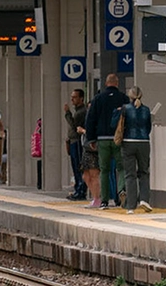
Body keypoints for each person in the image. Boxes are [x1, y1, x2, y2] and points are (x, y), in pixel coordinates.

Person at [84, 73, 128, 208]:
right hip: (118, 139)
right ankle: (121, 193)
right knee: (121, 168)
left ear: (106, 83)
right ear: (117, 83)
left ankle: (104, 200)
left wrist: (91, 138)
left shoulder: (98, 99)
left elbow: (90, 119)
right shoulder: (124, 98)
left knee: (104, 170)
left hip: (102, 139)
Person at [120, 86, 154, 214]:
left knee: (130, 175)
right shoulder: (146, 110)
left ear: (130, 96)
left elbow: (117, 125)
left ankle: (130, 206)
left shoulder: (125, 109)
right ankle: (144, 199)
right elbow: (148, 127)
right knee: (144, 172)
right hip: (144, 143)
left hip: (128, 142)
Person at [63, 88, 87, 200]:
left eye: (75, 97)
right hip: (73, 141)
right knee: (75, 165)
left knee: (78, 166)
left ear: (81, 98)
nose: (72, 99)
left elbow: (74, 126)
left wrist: (67, 114)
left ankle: (80, 190)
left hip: (77, 141)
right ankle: (78, 189)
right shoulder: (78, 111)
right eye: (72, 97)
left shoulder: (81, 112)